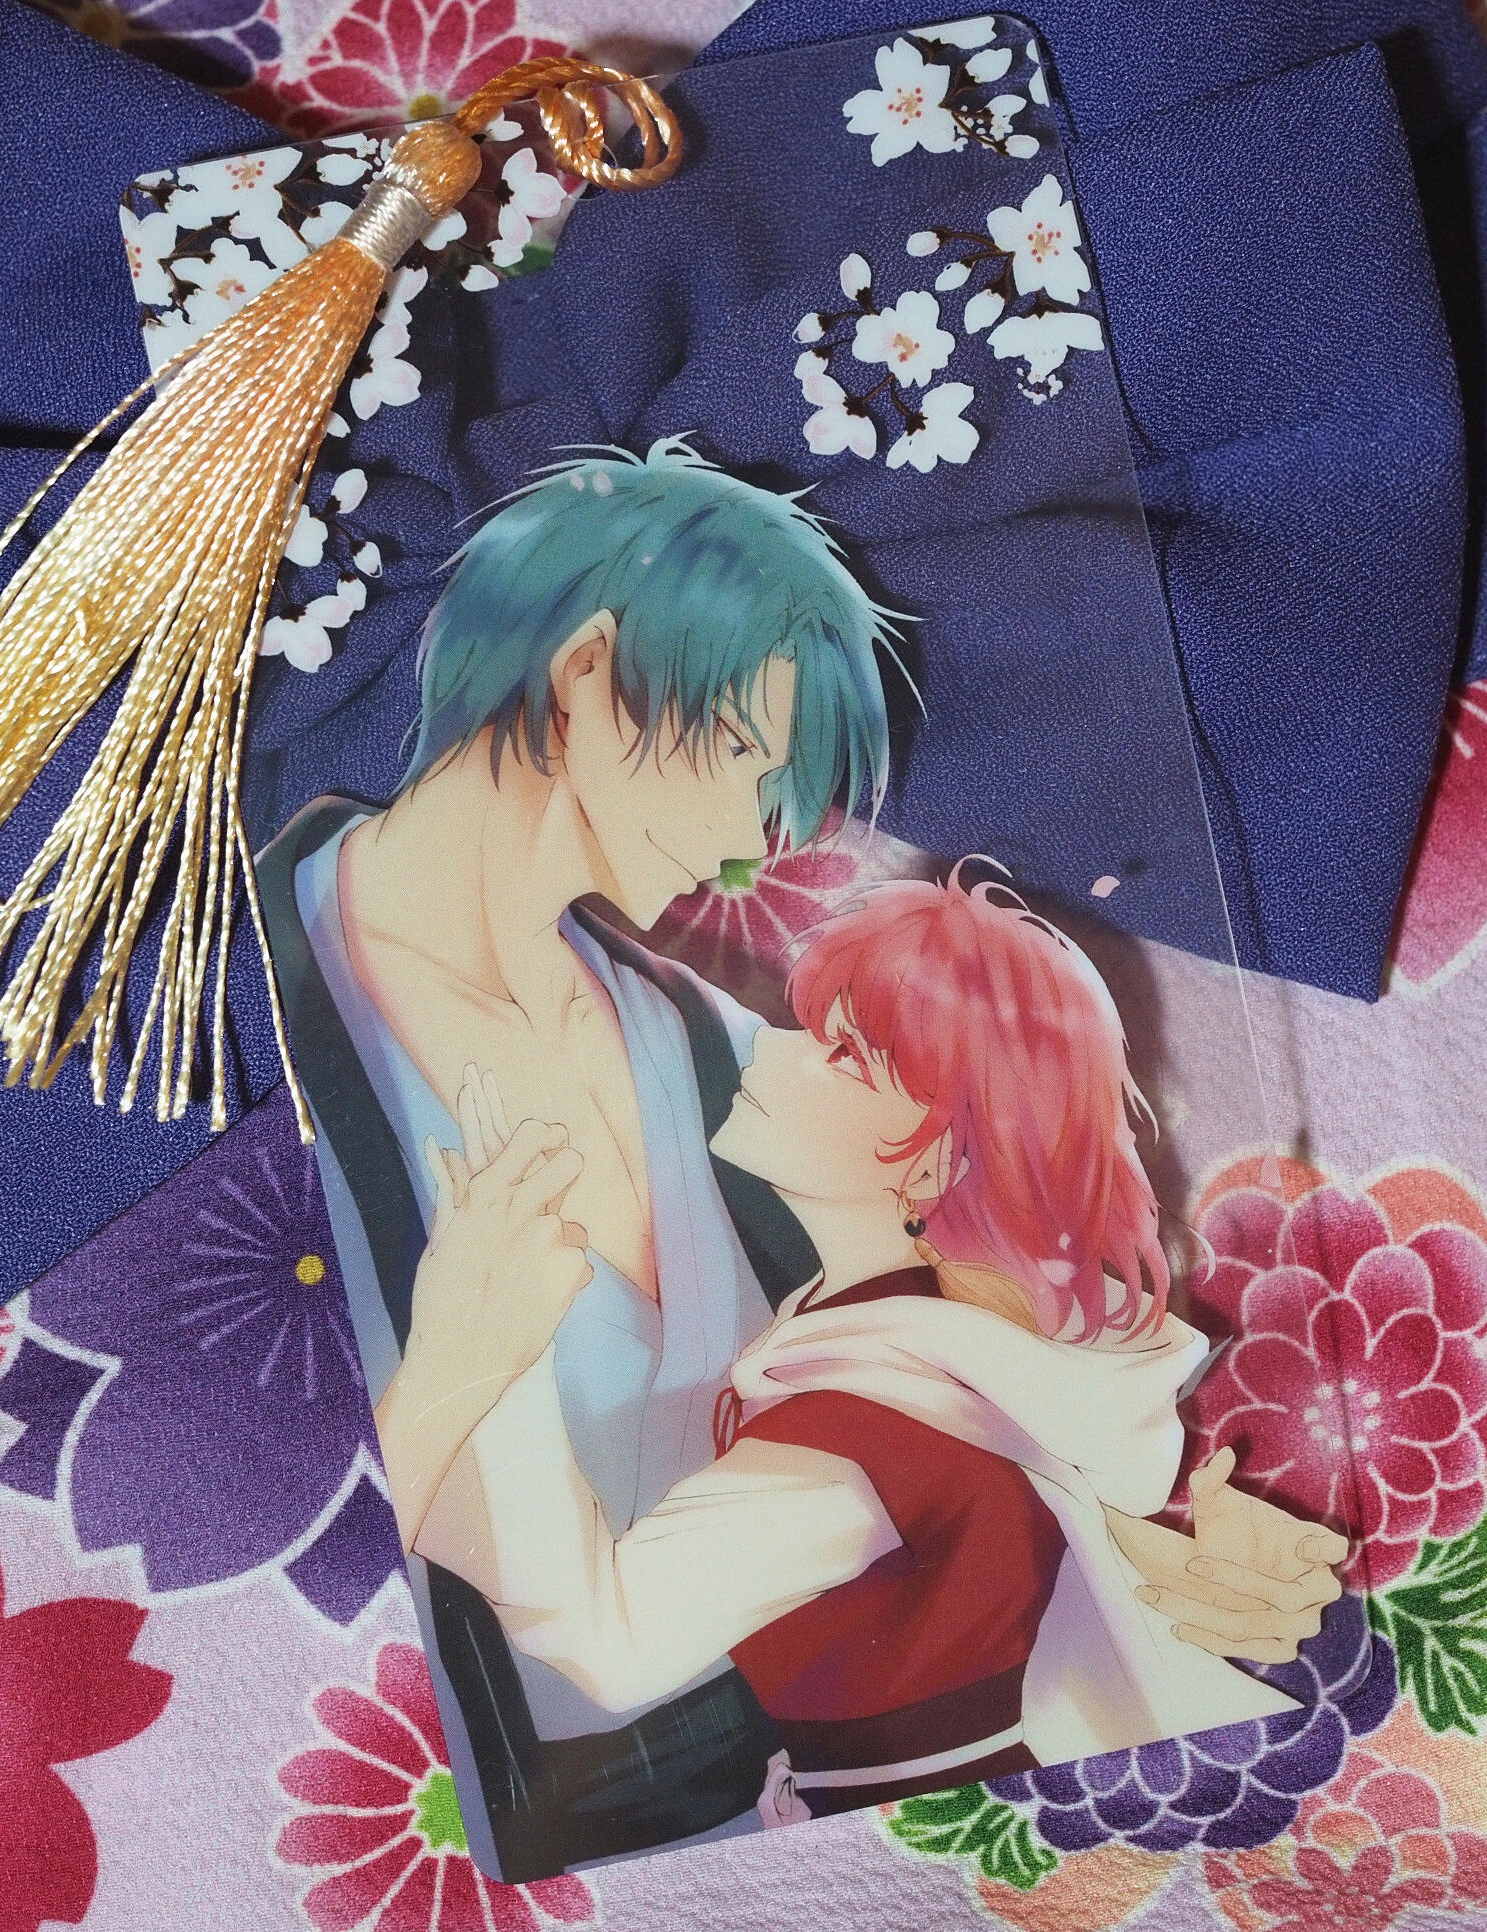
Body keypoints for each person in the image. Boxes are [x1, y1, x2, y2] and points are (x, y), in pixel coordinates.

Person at [256, 439, 1340, 1880]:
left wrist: (1148, 1553)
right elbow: (275, 1508)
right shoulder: (242, 985)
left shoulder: (713, 1047)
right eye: (736, 757)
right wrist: (451, 1371)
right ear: (586, 674)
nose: (745, 838)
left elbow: (944, 1384)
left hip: (810, 1813)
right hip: (437, 1816)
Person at [377, 868, 1348, 1825]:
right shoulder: (920, 1355)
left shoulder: (869, 1427)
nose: (773, 1047)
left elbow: (610, 1647)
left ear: (934, 1158)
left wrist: (488, 1344)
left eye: (842, 1055)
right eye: (807, 1029)